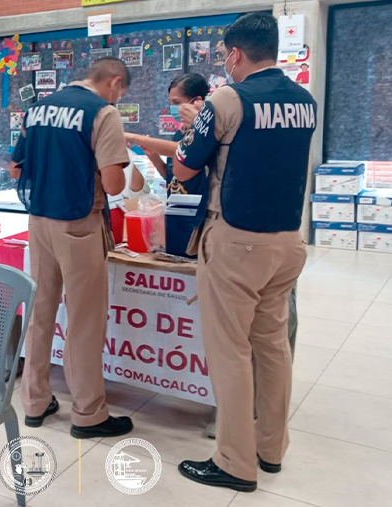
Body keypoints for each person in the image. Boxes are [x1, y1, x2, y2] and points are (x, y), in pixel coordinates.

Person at [172, 13, 317, 492]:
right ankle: (271, 449)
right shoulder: (304, 100)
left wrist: (194, 129)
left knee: (231, 351)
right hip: (287, 241)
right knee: (272, 346)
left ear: (235, 54)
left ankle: (234, 462)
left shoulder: (227, 98)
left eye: (224, 55)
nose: (223, 63)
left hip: (235, 240)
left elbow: (187, 169)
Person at [9, 58, 133, 439]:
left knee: (41, 311)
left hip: (39, 220)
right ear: (113, 82)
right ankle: (88, 412)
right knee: (84, 320)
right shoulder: (102, 112)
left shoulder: (38, 109)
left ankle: (34, 401)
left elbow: (16, 169)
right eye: (121, 91)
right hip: (79, 223)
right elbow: (114, 186)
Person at [124, 73, 208, 196]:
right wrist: (154, 157)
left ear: (197, 101)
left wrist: (132, 137)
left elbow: (180, 149)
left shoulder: (205, 132)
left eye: (176, 102)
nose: (172, 108)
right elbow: (171, 178)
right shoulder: (180, 133)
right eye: (171, 103)